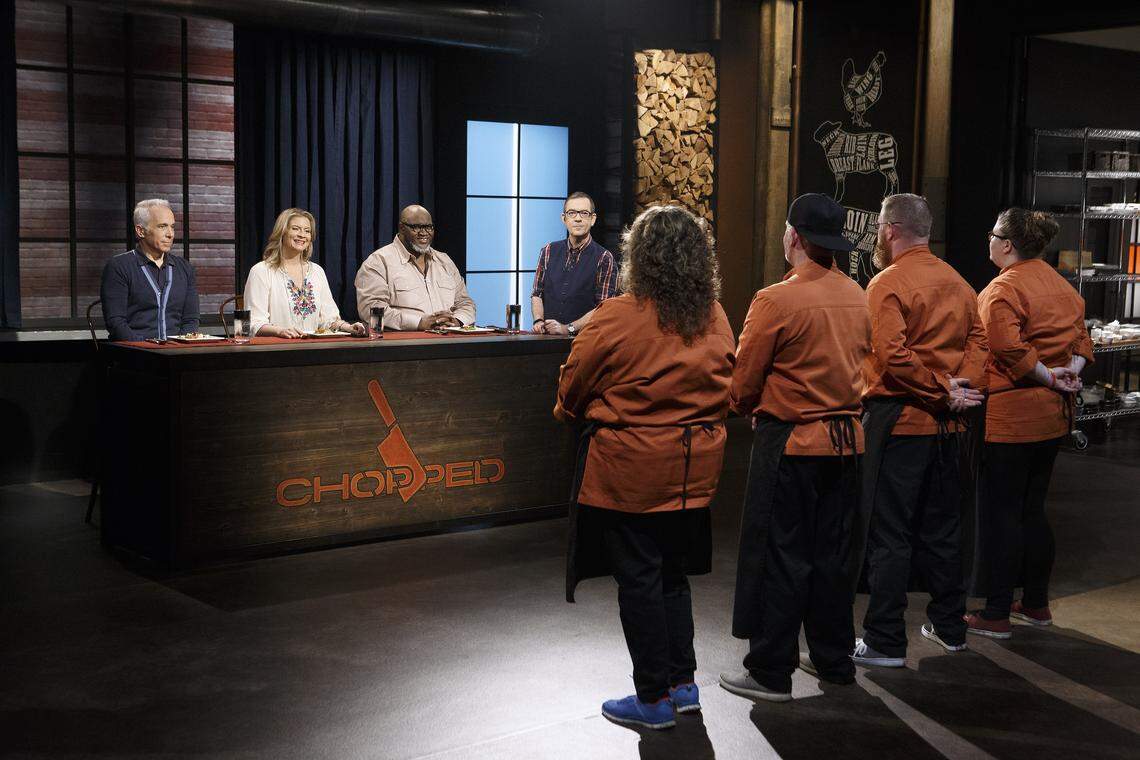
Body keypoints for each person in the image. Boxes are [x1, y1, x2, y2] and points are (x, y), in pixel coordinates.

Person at [556, 205, 734, 730]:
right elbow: (729, 382)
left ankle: (652, 698)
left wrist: (575, 412)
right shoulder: (716, 315)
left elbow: (573, 385)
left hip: (631, 472)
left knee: (639, 580)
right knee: (674, 576)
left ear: (641, 256)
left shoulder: (617, 314)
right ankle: (683, 686)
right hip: (694, 472)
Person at [719, 193, 871, 702]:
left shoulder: (775, 299)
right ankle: (832, 660)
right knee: (834, 557)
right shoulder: (858, 295)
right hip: (849, 445)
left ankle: (769, 671)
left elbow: (743, 381)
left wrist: (746, 407)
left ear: (796, 238)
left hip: (791, 443)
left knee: (781, 556)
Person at [854, 193, 988, 668]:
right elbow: (980, 340)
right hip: (950, 428)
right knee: (944, 531)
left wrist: (939, 388)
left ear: (889, 230)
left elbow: (890, 353)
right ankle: (951, 629)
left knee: (890, 534)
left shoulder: (886, 283)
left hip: (902, 424)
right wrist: (959, 386)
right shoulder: (958, 281)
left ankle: (886, 641)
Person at [965, 209, 1090, 638]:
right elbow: (1081, 337)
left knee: (1001, 515)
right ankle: (1036, 603)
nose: (989, 241)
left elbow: (1006, 348)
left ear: (1007, 244)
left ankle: (996, 612)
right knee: (1032, 510)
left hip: (1012, 417)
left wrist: (1049, 375)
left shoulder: (1003, 289)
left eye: (993, 234)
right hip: (1053, 416)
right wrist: (1067, 373)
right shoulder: (1061, 285)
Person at [244, 208, 365, 338]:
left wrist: (349, 327)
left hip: (311, 350)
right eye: (295, 229)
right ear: (282, 232)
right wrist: (280, 331)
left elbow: (328, 319)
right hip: (275, 350)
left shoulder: (317, 272)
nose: (302, 235)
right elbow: (253, 323)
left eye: (307, 231)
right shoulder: (261, 271)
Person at [355, 205, 476, 330]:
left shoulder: (444, 261)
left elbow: (465, 303)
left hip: (450, 340)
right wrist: (418, 323)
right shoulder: (378, 262)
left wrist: (456, 321)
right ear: (402, 228)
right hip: (404, 343)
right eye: (416, 227)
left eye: (428, 227)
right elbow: (371, 308)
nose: (423, 233)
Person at [100, 198, 200, 341]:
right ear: (141, 231)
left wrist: (178, 347)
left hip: (176, 354)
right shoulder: (119, 267)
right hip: (135, 353)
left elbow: (191, 320)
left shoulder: (185, 269)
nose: (170, 234)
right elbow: (116, 323)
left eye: (172, 227)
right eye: (162, 226)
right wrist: (148, 349)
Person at [530, 192, 616, 336]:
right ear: (564, 218)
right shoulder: (548, 250)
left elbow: (604, 308)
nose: (577, 218)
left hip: (586, 341)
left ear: (592, 219)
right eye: (572, 213)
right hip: (546, 340)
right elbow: (537, 293)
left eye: (584, 213)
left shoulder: (604, 258)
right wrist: (538, 321)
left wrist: (567, 328)